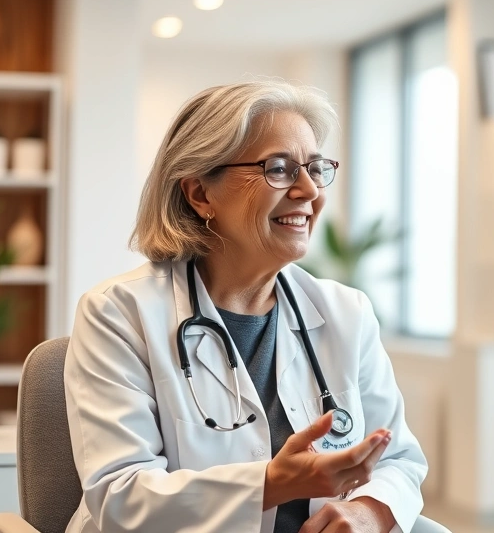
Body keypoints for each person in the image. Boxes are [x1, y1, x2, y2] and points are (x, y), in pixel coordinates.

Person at [63, 81, 427, 533]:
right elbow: (120, 497)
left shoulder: (345, 312)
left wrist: (369, 510)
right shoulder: (118, 313)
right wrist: (271, 483)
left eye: (315, 168)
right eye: (278, 169)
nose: (309, 190)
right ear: (200, 194)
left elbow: (399, 459)